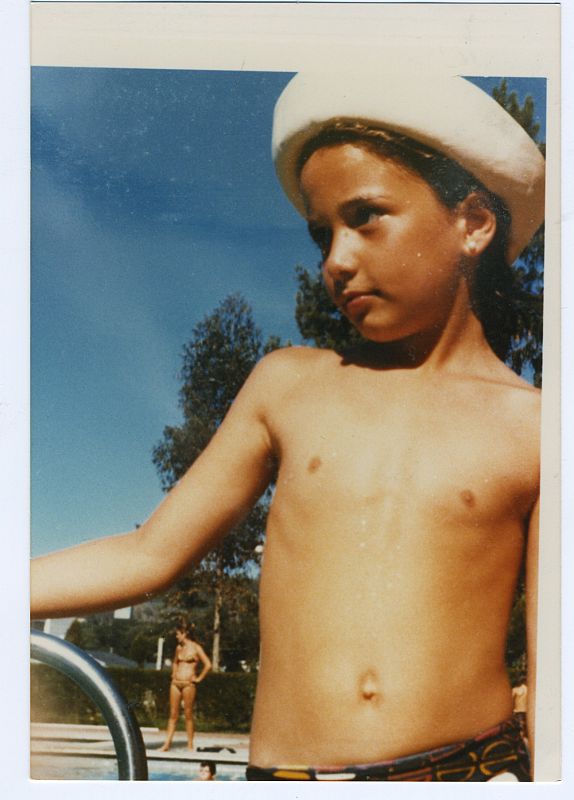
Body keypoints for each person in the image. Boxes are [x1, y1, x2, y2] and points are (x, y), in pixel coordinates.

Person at [30, 70, 544, 781]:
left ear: (474, 223)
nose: (337, 259)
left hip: (468, 774)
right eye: (321, 232)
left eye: (366, 217)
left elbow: (557, 681)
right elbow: (150, 552)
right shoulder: (291, 384)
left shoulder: (540, 427)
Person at [159, 622, 211, 751]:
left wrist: (198, 678)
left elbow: (208, 665)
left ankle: (190, 744)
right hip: (176, 683)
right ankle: (167, 744)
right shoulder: (179, 648)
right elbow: (175, 662)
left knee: (188, 714)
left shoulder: (196, 648)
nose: (176, 637)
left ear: (184, 634)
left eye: (178, 634)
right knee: (173, 714)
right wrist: (174, 673)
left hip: (189, 683)